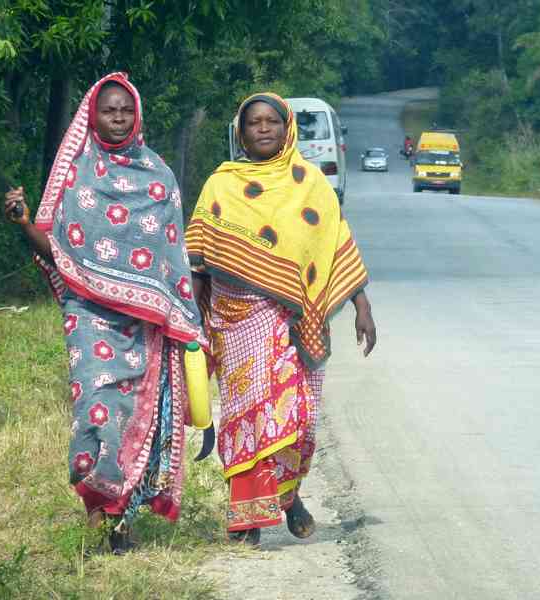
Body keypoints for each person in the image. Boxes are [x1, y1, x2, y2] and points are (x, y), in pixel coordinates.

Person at [2, 72, 204, 553]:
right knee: (96, 409)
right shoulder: (76, 176)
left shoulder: (158, 177)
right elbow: (59, 253)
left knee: (136, 414)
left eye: (126, 110)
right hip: (89, 316)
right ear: (92, 117)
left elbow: (171, 258)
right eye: (109, 110)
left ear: (138, 116)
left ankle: (120, 519)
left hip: (144, 323)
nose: (118, 118)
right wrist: (25, 223)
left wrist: (182, 319)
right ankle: (97, 503)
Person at [185, 93, 376, 546]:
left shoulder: (310, 183)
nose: (264, 128)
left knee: (298, 418)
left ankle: (288, 496)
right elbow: (198, 258)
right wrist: (191, 317)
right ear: (241, 132)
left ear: (287, 128)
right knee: (247, 418)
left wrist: (362, 306)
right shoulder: (221, 185)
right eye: (254, 122)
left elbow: (334, 243)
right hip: (236, 321)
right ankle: (246, 519)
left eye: (272, 121)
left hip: (294, 323)